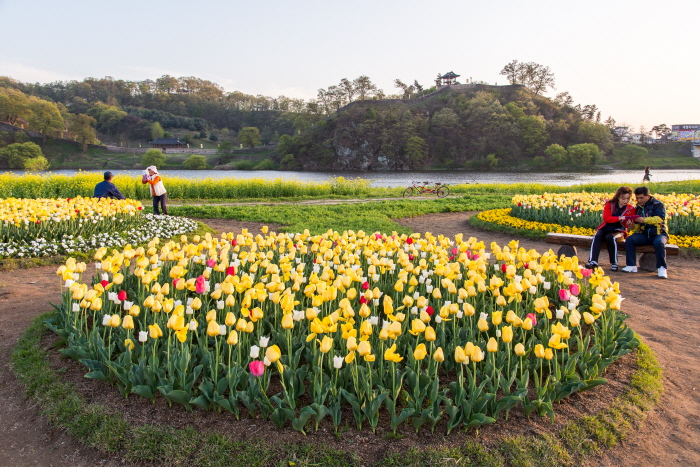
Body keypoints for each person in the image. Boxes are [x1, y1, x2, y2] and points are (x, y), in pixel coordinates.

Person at [585, 186, 636, 271]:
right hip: (606, 227)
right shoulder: (610, 204)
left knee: (611, 238)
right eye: (623, 199)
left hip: (619, 230)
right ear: (618, 197)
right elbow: (607, 219)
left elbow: (628, 225)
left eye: (627, 199)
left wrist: (629, 223)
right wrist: (619, 218)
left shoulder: (630, 208)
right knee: (597, 236)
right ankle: (593, 261)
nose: (625, 201)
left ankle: (614, 263)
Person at [622, 186, 669, 278]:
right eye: (637, 198)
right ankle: (631, 265)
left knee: (659, 243)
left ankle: (661, 268)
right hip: (645, 234)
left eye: (641, 198)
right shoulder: (638, 208)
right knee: (630, 239)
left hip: (659, 233)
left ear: (648, 196)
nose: (639, 200)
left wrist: (644, 220)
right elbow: (637, 226)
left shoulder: (658, 204)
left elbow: (660, 218)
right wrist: (632, 226)